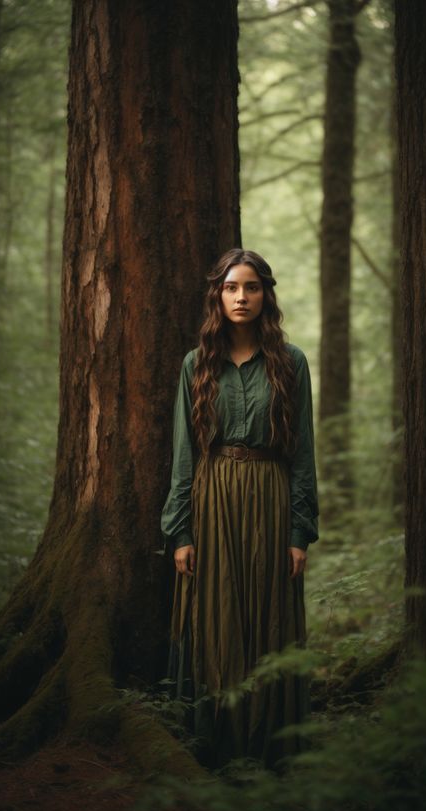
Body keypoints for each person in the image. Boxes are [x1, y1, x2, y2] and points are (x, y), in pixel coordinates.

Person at [161, 248, 319, 768]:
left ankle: (271, 746)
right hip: (214, 499)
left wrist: (300, 528)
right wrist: (180, 529)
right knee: (216, 614)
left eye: (251, 287)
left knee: (269, 613)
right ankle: (216, 744)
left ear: (265, 295)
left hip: (271, 497)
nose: (241, 297)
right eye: (232, 288)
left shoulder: (290, 362)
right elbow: (185, 452)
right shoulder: (197, 363)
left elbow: (301, 451)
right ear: (218, 296)